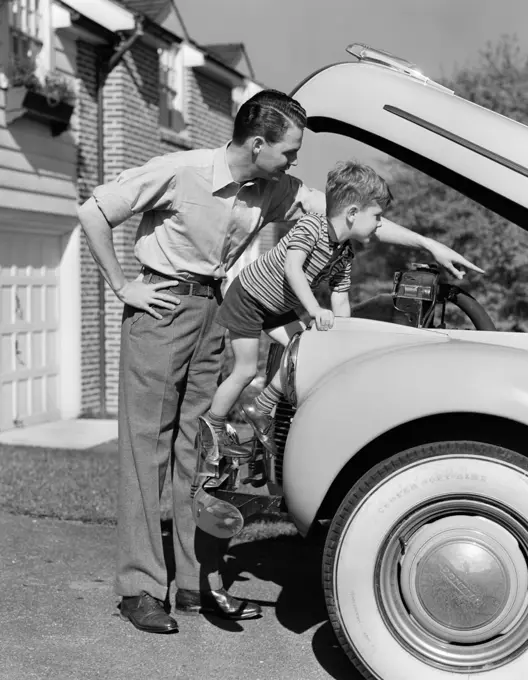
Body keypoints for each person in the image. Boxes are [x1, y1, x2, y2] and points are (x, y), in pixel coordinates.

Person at [77, 88, 483, 635]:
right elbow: (94, 209)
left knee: (199, 449)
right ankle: (141, 588)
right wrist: (124, 286)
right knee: (146, 450)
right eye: (290, 152)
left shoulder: (275, 188)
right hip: (161, 306)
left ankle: (195, 584)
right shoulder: (180, 171)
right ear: (259, 142)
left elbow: (353, 216)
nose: (295, 163)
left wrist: (428, 246)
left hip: (213, 311)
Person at [207, 160, 390, 452]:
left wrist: (344, 340)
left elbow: (340, 299)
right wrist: (315, 311)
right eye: (378, 216)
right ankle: (212, 430)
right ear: (353, 214)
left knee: (304, 356)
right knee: (244, 370)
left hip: (277, 307)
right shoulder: (312, 225)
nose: (381, 224)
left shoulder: (343, 253)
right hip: (249, 297)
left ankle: (262, 407)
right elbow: (293, 268)